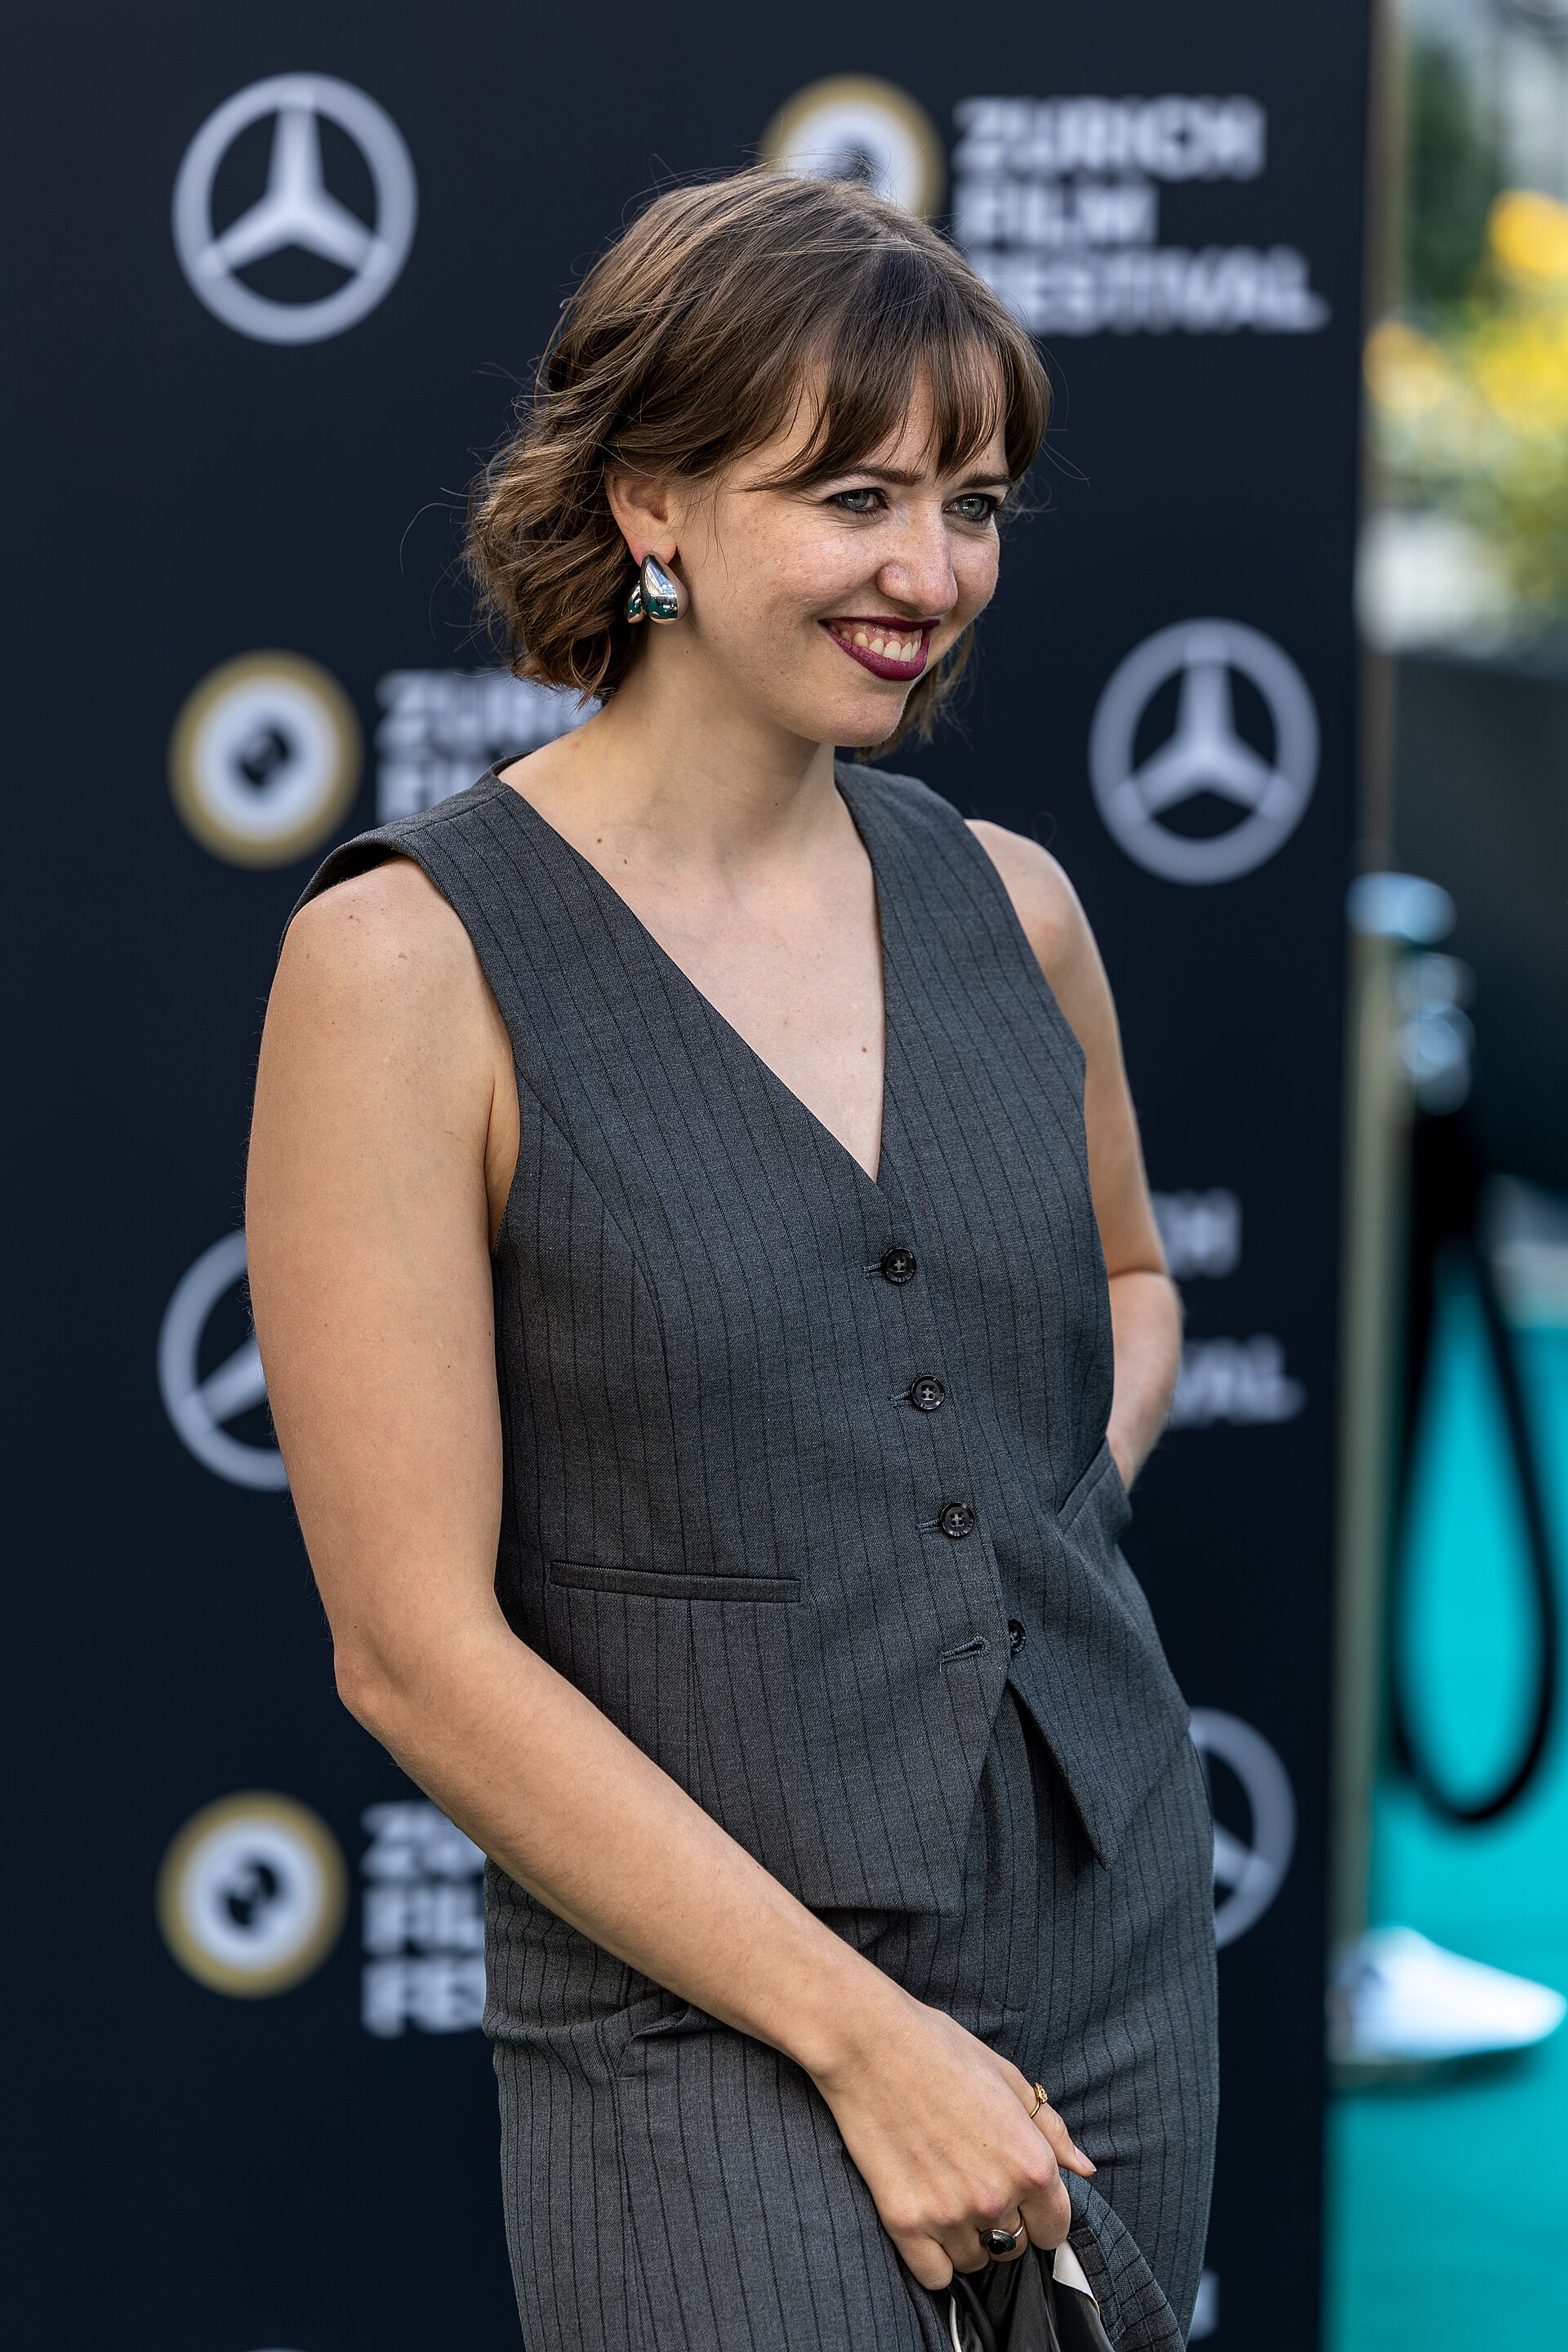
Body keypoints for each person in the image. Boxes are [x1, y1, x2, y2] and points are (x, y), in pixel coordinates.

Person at [246, 167, 1217, 2352]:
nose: (928, 571)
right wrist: (868, 2042)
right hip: (693, 2010)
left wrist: (1037, 1522)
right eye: (854, 493)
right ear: (653, 499)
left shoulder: (1018, 906)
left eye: (972, 503)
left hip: (1108, 1934)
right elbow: (408, 1647)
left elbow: (1137, 1288)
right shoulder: (405, 962)